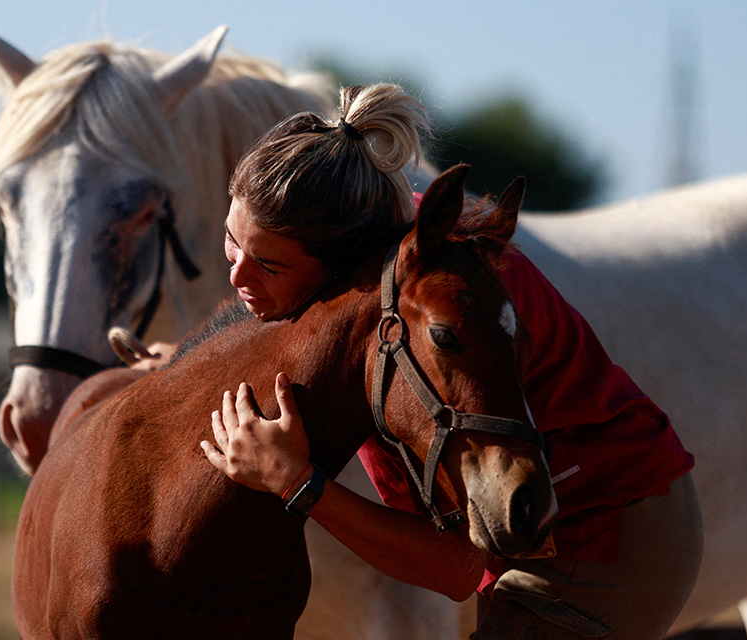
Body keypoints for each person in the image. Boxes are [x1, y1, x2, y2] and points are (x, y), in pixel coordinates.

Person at [195, 83, 703, 639]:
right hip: (555, 520)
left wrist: (294, 481)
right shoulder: (392, 249)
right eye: (232, 241)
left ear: (341, 269)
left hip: (608, 529)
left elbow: (452, 568)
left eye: (268, 265)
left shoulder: (414, 311)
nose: (237, 275)